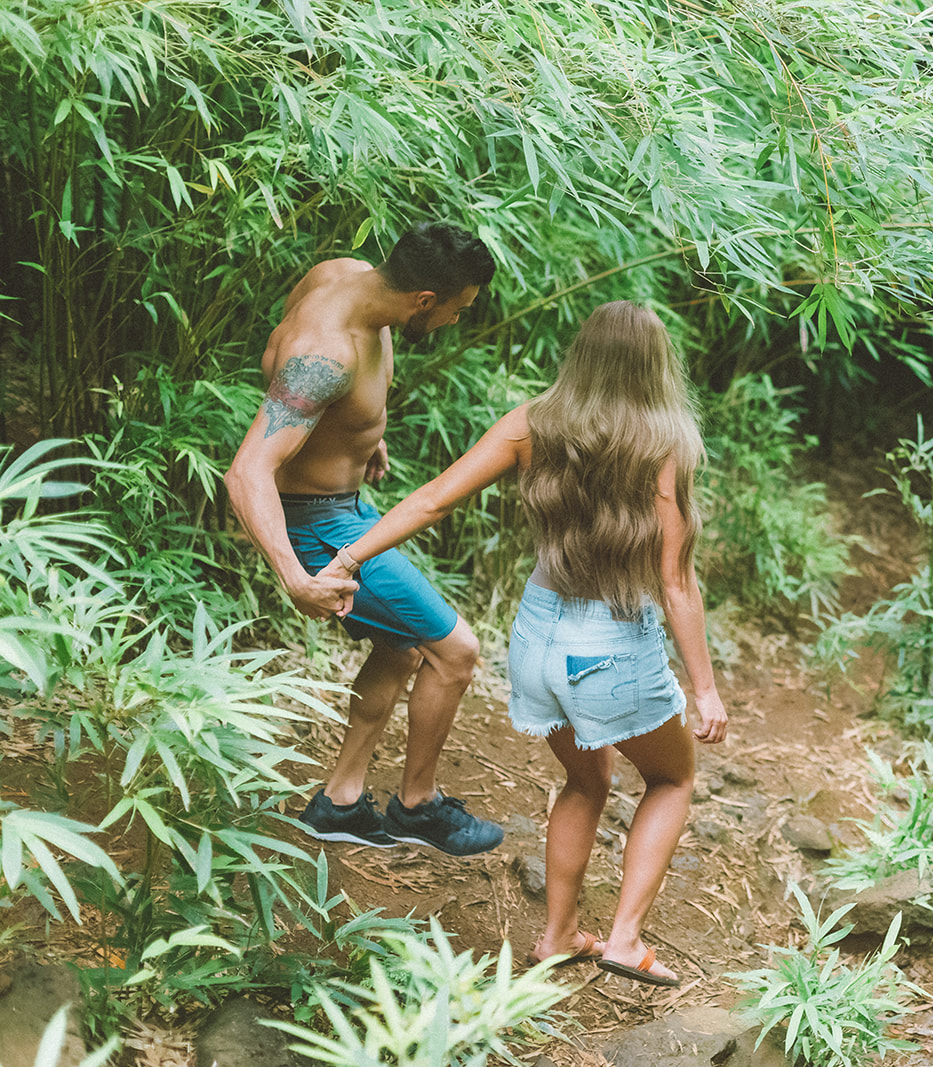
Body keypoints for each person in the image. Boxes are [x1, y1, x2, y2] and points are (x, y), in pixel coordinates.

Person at [315, 300, 727, 987]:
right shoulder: (666, 443)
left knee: (586, 776)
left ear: (582, 358)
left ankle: (559, 934)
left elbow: (434, 498)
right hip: (612, 646)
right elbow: (677, 583)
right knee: (672, 776)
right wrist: (706, 687)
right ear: (657, 366)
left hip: (535, 641)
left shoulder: (533, 424)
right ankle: (625, 938)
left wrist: (348, 555)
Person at [224, 221, 504, 857]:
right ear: (424, 302)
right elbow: (246, 472)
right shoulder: (327, 356)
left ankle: (341, 803)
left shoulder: (342, 274)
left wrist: (359, 432)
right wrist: (296, 576)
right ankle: (418, 806)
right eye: (458, 310)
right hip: (317, 524)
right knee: (455, 651)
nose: (458, 321)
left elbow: (292, 385)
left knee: (404, 646)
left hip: (340, 503)